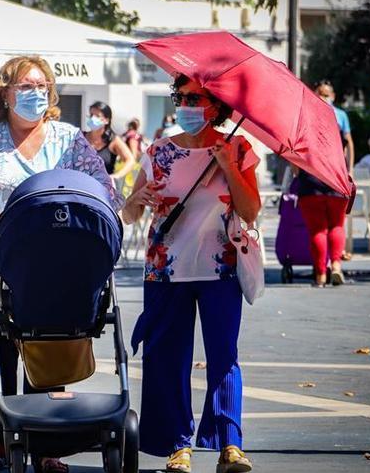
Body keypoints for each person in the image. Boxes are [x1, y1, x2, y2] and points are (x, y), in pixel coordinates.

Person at [0, 55, 123, 473]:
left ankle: (46, 444)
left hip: (54, 256)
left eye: (42, 85)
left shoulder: (68, 138)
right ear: (5, 92)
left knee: (50, 343)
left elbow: (101, 188)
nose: (36, 92)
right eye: (25, 86)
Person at [122, 73, 260, 473]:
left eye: (193, 98)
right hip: (166, 268)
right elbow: (130, 212)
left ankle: (230, 445)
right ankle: (177, 446)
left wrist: (227, 166)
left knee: (224, 355)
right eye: (179, 97)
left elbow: (250, 211)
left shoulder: (238, 147)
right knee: (166, 356)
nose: (183, 105)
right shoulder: (159, 150)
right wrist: (137, 198)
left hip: (221, 267)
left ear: (215, 105)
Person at [84, 101, 136, 182]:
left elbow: (130, 160)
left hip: (104, 188)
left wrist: (116, 176)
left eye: (97, 116)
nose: (93, 119)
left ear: (107, 120)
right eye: (91, 115)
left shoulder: (113, 140)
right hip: (82, 187)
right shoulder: (81, 137)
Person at [315, 80, 355, 173]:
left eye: (325, 95)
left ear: (332, 96)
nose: (322, 98)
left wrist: (350, 170)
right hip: (317, 164)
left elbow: (349, 143)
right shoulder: (310, 114)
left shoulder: (341, 115)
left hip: (336, 164)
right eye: (319, 94)